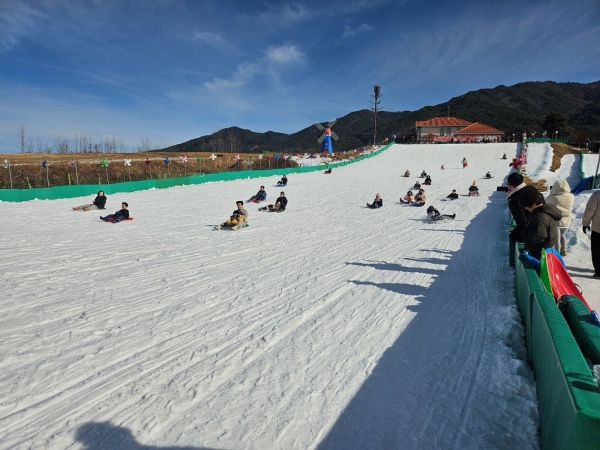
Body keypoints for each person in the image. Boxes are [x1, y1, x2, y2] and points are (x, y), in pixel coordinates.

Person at [519, 189, 562, 260]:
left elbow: (537, 236)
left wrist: (522, 233)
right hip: (549, 252)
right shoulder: (545, 211)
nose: (526, 209)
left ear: (533, 204)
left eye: (526, 206)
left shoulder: (539, 216)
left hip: (542, 256)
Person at [506, 172, 542, 242]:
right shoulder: (532, 189)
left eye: (507, 184)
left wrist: (513, 236)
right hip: (546, 229)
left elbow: (522, 224)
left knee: (513, 237)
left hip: (534, 236)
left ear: (510, 185)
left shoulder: (514, 201)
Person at [546, 179, 574, 256]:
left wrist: (551, 193)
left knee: (556, 238)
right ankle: (564, 249)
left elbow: (546, 203)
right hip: (566, 221)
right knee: (562, 235)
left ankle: (557, 254)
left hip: (557, 221)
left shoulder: (553, 198)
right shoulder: (571, 197)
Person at [582, 189, 600, 278]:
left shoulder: (597, 195)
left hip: (598, 230)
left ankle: (599, 272)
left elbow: (589, 211)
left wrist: (585, 224)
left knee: (597, 251)